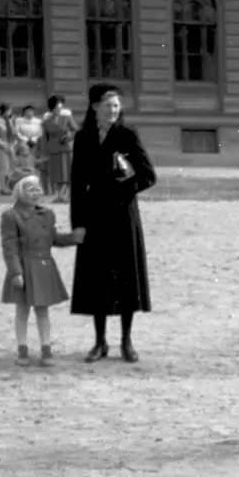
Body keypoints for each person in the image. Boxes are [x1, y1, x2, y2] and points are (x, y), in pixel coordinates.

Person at [69, 83, 156, 364]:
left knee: (126, 279)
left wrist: (125, 185)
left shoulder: (128, 135)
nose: (113, 110)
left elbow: (148, 175)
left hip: (123, 216)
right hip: (94, 218)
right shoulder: (83, 138)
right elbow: (77, 184)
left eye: (117, 106)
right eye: (108, 106)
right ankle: (99, 342)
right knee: (97, 279)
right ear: (95, 107)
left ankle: (126, 342)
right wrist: (78, 224)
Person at [0, 174, 84, 367]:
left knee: (42, 310)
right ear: (20, 191)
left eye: (38, 189)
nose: (36, 193)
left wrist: (73, 238)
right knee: (22, 310)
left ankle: (46, 348)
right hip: (23, 267)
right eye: (31, 189)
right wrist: (15, 272)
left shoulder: (47, 214)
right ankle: (22, 348)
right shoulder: (11, 216)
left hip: (43, 267)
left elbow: (53, 239)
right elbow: (9, 247)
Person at [41, 95, 75, 203]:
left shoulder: (67, 118)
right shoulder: (46, 121)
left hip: (66, 148)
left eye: (61, 107)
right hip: (53, 149)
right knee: (57, 173)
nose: (59, 110)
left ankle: (64, 195)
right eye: (57, 108)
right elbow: (44, 138)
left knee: (67, 173)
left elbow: (77, 130)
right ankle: (60, 195)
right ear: (52, 108)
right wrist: (43, 152)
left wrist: (69, 136)